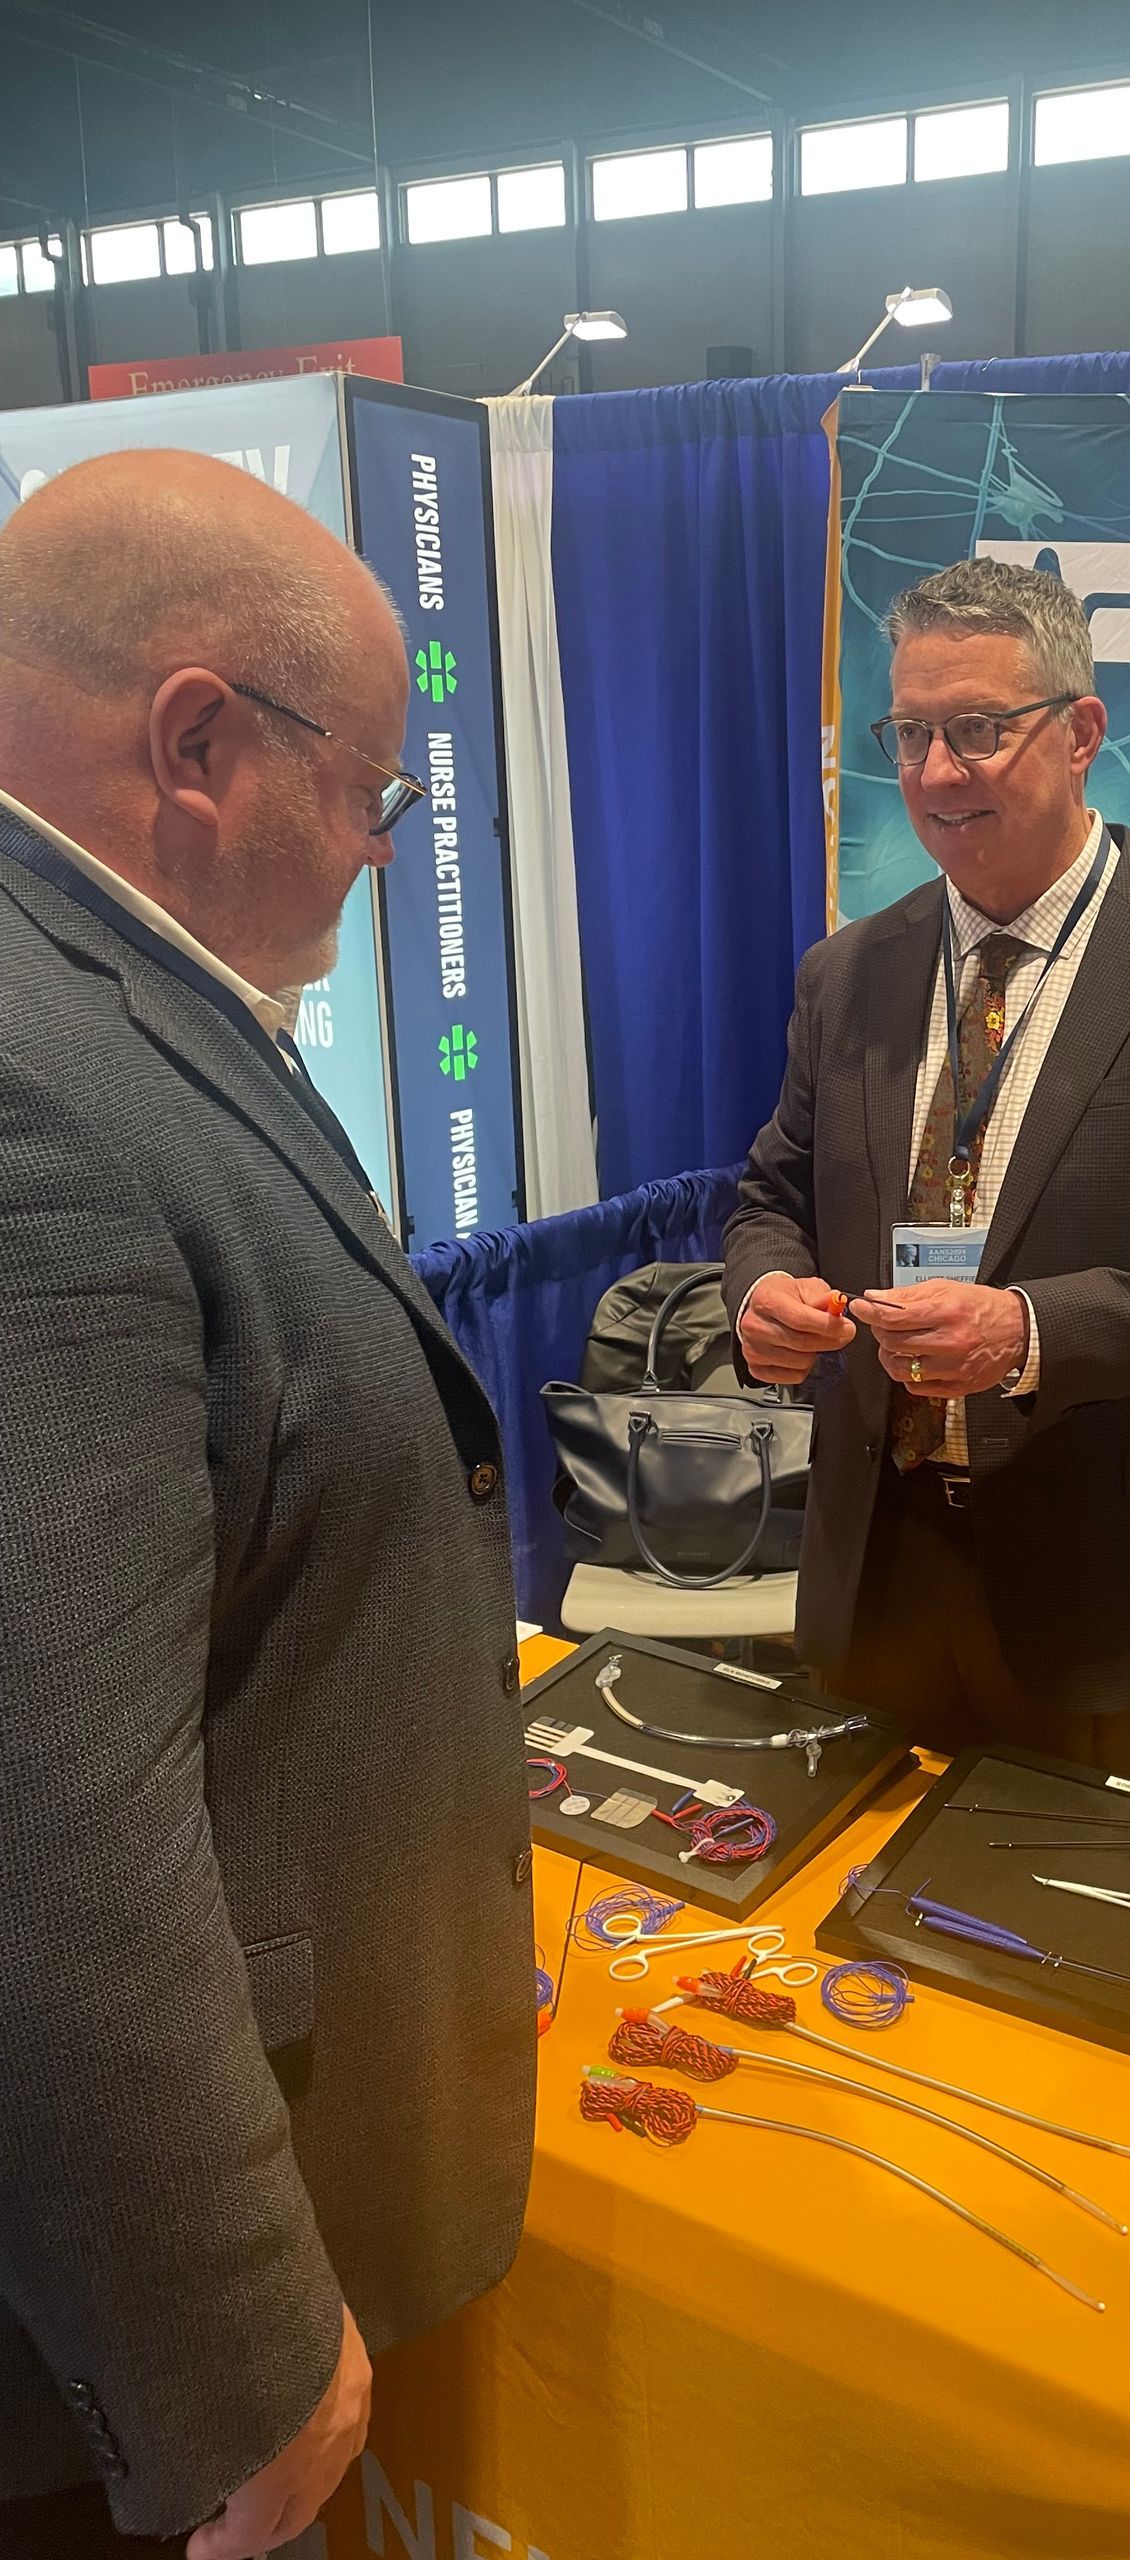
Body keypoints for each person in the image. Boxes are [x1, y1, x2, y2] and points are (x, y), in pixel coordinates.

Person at [0, 452, 533, 2559]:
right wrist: (235, 2354)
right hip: (133, 2376)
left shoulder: (118, 1007)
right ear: (199, 745)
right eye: (375, 796)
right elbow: (48, 1831)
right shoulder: (37, 1087)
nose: (381, 853)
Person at [726, 557, 1130, 1788]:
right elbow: (774, 1195)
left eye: (982, 731)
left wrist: (1027, 1330)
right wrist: (762, 1290)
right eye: (913, 734)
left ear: (1081, 733)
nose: (939, 775)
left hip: (1104, 1597)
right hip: (874, 1570)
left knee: (1066, 1958)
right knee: (849, 1943)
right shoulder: (847, 975)